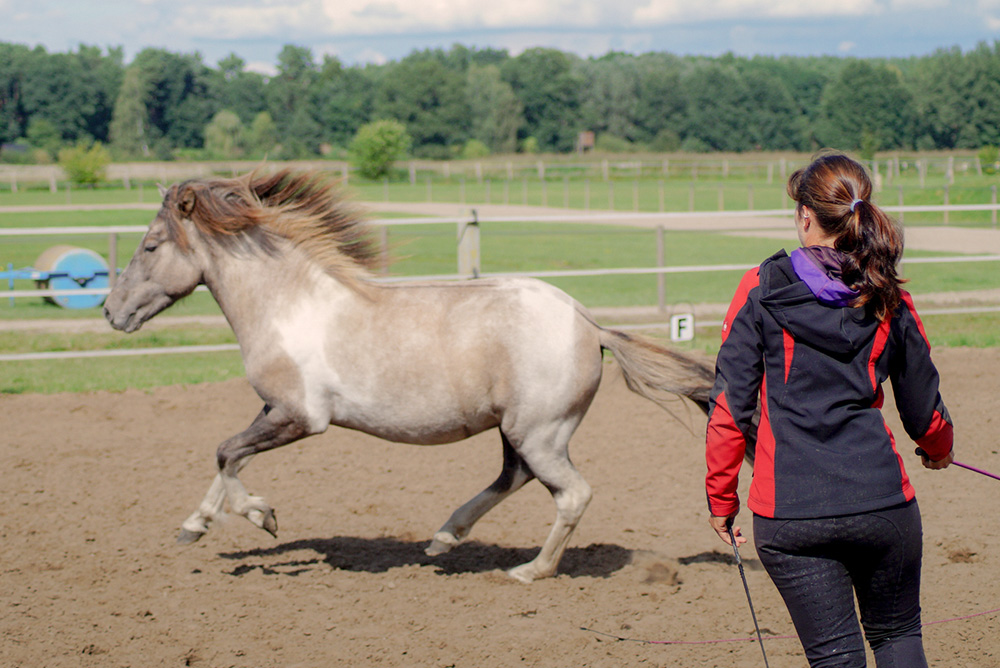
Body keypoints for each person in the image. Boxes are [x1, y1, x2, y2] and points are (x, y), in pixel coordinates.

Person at [704, 150, 954, 667]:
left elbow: (730, 409)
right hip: (883, 504)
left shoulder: (759, 287)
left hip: (790, 515)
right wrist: (938, 450)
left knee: (835, 657)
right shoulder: (887, 292)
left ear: (804, 216)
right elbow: (925, 408)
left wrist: (721, 500)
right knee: (898, 636)